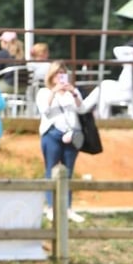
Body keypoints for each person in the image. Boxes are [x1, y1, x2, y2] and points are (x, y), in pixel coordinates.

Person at [36, 61, 89, 222]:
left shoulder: (72, 92)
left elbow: (83, 109)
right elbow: (44, 110)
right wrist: (54, 92)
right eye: (57, 73)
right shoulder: (44, 92)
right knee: (51, 170)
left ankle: (68, 208)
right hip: (52, 134)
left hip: (71, 135)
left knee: (69, 172)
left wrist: (73, 92)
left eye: (63, 73)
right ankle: (51, 207)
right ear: (51, 76)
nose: (60, 76)